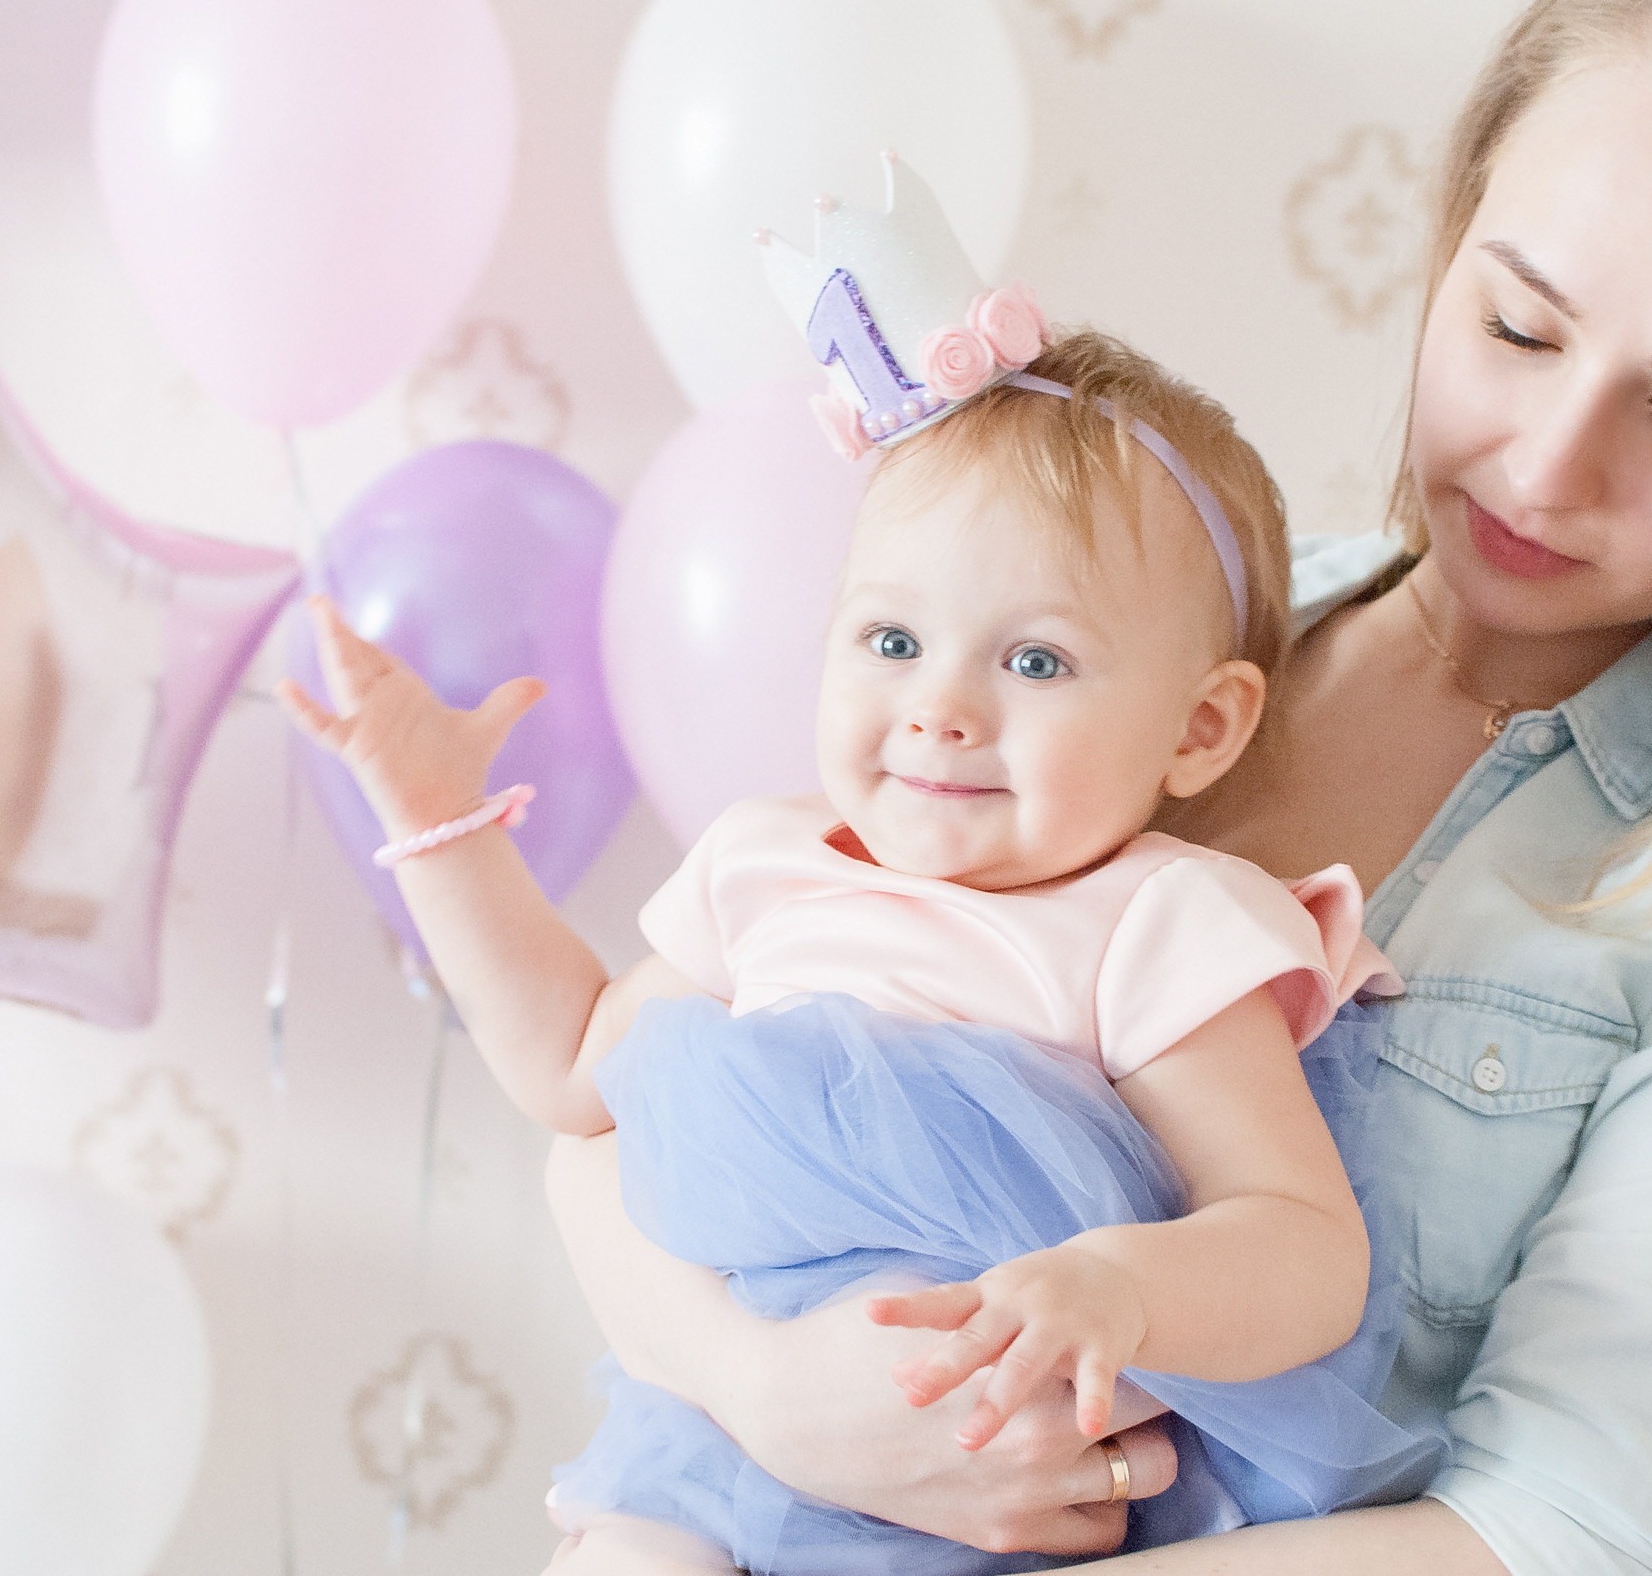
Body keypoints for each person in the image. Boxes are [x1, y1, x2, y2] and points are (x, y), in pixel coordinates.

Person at [546, 0, 1652, 1576]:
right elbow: (627, 1112)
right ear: (1452, 234)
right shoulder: (1137, 637)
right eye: (1517, 327)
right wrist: (766, 1397)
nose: (1543, 464)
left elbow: (1579, 1532)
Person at [284, 161, 1445, 1573]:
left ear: (1201, 727)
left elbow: (1305, 1245)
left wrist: (1121, 1290)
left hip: (1020, 1493)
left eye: (1034, 659)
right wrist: (442, 827)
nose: (940, 705)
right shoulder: (766, 870)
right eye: (892, 639)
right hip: (722, 1456)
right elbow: (574, 1069)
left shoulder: (1156, 924)